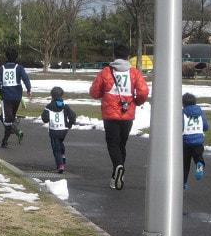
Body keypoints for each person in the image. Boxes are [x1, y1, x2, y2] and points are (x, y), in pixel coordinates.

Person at [90, 44, 149, 190]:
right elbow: (143, 91)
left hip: (110, 114)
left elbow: (94, 92)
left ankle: (118, 167)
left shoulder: (106, 72)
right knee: (122, 144)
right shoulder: (134, 73)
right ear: (128, 56)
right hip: (127, 113)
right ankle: (117, 174)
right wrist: (137, 101)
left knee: (113, 144)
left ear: (114, 55)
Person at [0, 47, 31, 148]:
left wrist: (1, 92)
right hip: (17, 98)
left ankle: (6, 140)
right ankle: (13, 130)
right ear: (16, 57)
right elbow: (25, 78)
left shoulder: (2, 69)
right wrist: (28, 89)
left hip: (7, 98)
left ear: (6, 56)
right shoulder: (19, 68)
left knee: (6, 120)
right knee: (10, 118)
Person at [41, 87, 77, 173]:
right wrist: (70, 124)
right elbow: (72, 115)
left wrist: (49, 118)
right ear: (62, 95)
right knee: (60, 143)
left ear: (52, 96)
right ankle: (63, 156)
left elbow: (44, 119)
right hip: (64, 130)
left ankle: (60, 165)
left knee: (56, 148)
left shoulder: (48, 107)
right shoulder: (65, 106)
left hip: (54, 130)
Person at [182, 92, 209, 189]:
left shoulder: (183, 113)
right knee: (198, 157)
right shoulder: (200, 113)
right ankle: (200, 164)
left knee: (185, 164)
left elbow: (180, 127)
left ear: (183, 103)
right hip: (198, 142)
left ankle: (183, 183)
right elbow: (206, 127)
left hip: (185, 142)